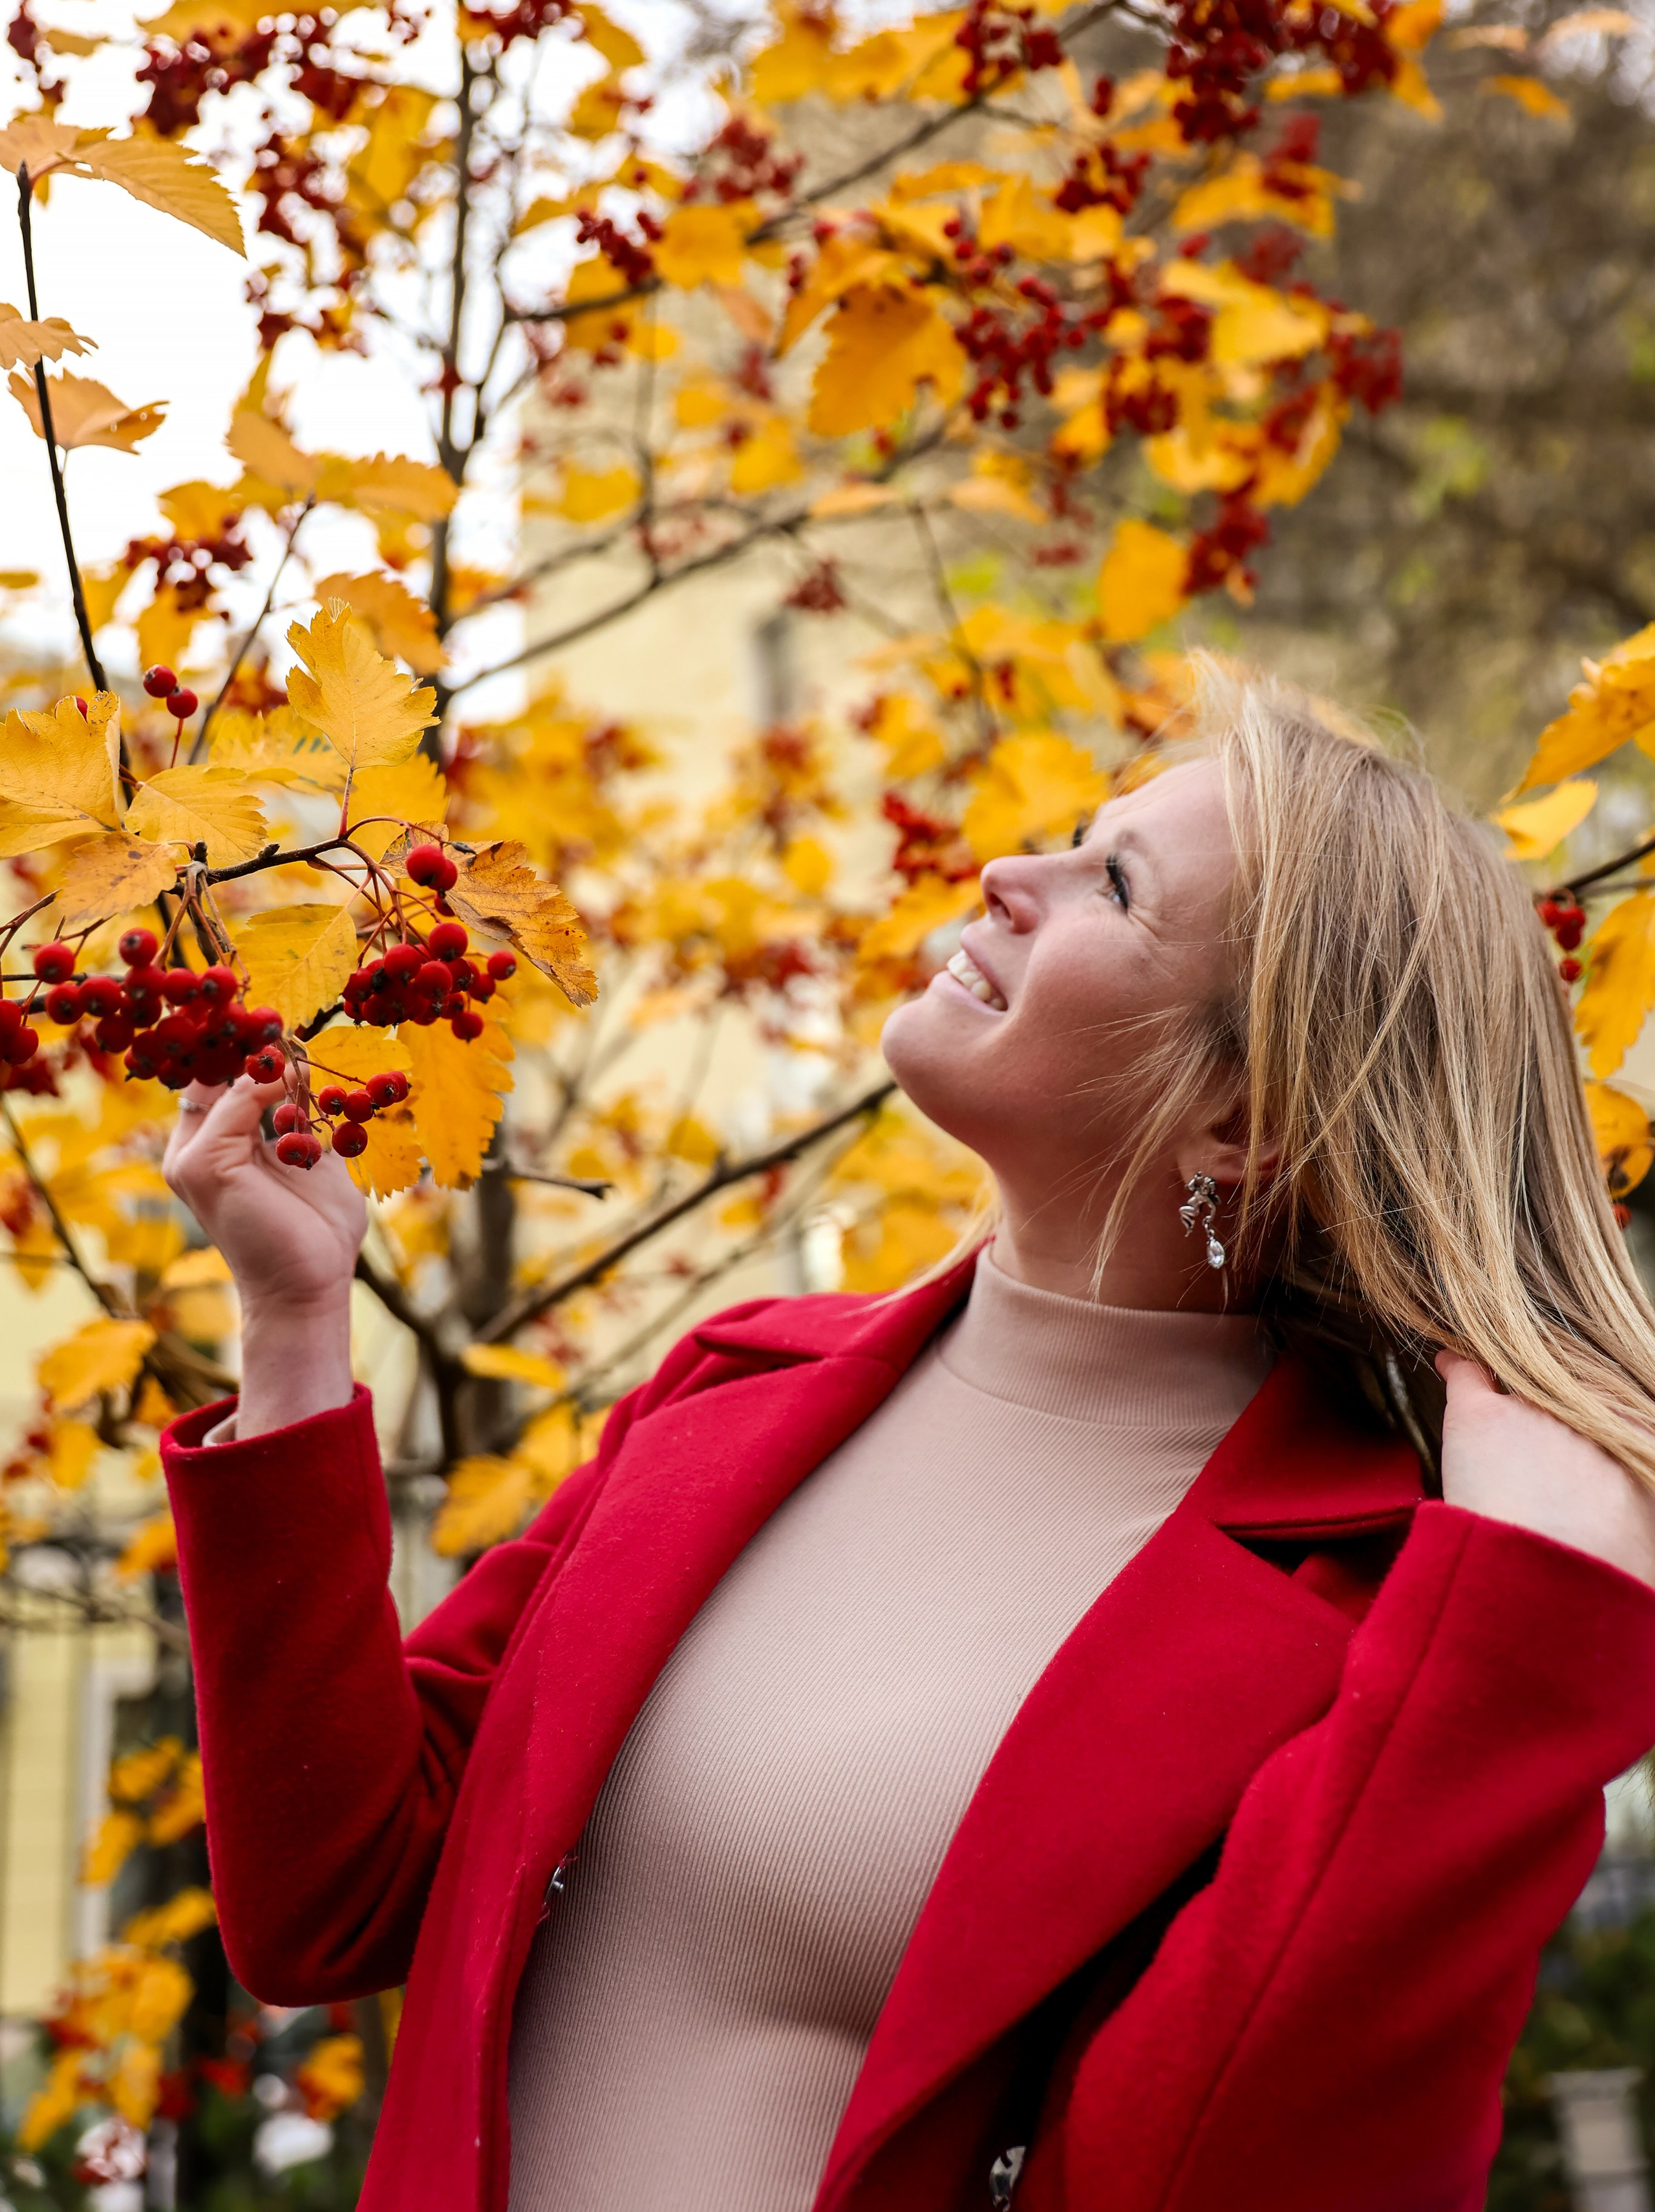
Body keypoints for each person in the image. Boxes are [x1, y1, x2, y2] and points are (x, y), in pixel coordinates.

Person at [160, 669, 1655, 2212]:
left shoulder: (1360, 1619)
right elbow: (331, 1902)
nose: (1009, 871)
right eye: (1076, 833)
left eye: (1113, 885)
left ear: (1241, 1122)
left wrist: (1521, 1623)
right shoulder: (727, 1394)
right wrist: (292, 1329)